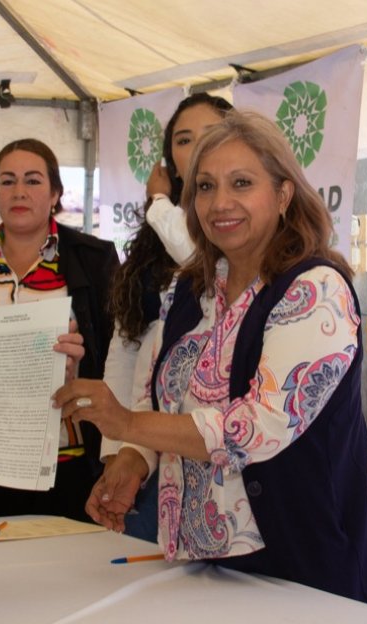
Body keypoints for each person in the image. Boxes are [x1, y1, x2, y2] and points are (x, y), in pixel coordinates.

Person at [56, 111, 367, 608]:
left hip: (308, 572)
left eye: (241, 183)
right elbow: (156, 391)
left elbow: (255, 427)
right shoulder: (189, 289)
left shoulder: (314, 288)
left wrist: (128, 425)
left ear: (283, 195)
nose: (220, 203)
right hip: (205, 571)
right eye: (204, 186)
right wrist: (133, 460)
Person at [0, 138, 119, 523]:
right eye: (7, 181)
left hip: (75, 457)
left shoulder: (95, 260)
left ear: (55, 193)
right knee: (0, 574)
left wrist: (79, 369)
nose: (19, 191)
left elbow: (120, 356)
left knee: (77, 573)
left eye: (32, 181)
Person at [97, 92, 233, 542]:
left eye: (208, 136)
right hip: (153, 450)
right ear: (169, 158)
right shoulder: (153, 244)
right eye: (183, 139)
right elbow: (128, 350)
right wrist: (120, 448)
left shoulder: (239, 237)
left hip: (225, 464)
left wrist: (159, 206)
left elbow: (210, 271)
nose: (194, 149)